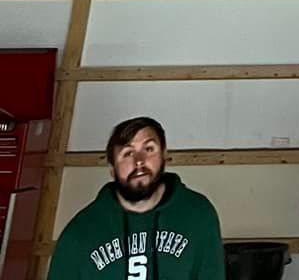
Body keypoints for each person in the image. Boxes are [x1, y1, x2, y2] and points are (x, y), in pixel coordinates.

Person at [48, 118, 223, 280]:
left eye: (149, 149)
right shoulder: (79, 234)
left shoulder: (198, 216)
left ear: (164, 155)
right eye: (128, 153)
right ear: (111, 167)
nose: (139, 161)